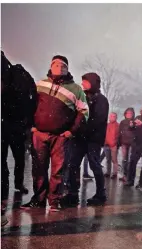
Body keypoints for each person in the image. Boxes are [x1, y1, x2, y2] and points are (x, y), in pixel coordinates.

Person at [21, 55, 88, 211]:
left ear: (67, 68)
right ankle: (38, 200)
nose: (59, 67)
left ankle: (54, 201)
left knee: (58, 170)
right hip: (40, 134)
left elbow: (83, 112)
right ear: (51, 66)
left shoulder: (76, 89)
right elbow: (30, 105)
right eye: (55, 64)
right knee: (38, 168)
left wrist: (71, 131)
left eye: (62, 65)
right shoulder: (41, 84)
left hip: (60, 137)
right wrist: (32, 126)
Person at [62, 72, 109, 207]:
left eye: (85, 82)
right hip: (79, 138)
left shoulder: (101, 100)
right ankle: (72, 193)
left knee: (94, 165)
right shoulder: (83, 97)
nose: (82, 84)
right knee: (73, 164)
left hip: (92, 139)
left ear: (93, 83)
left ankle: (101, 194)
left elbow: (98, 121)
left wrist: (79, 129)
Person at [1, 51, 37, 205]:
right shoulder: (20, 76)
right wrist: (28, 122)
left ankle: (4, 190)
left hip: (7, 123)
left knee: (4, 160)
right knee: (19, 158)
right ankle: (17, 184)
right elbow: (32, 99)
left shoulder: (11, 76)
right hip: (16, 124)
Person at [118, 108, 136, 182]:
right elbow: (119, 132)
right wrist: (118, 142)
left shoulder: (134, 121)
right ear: (125, 114)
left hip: (132, 143)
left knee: (130, 160)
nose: (129, 115)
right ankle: (125, 175)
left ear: (133, 114)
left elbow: (136, 131)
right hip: (124, 143)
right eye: (127, 113)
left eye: (130, 113)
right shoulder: (122, 122)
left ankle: (129, 176)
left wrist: (132, 126)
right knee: (124, 160)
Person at [103, 112, 120, 179]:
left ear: (116, 117)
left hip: (114, 145)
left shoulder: (118, 125)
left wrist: (116, 143)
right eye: (111, 116)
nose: (112, 117)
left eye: (114, 116)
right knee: (108, 159)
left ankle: (115, 173)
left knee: (114, 160)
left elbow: (119, 135)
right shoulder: (107, 125)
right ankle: (108, 172)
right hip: (106, 145)